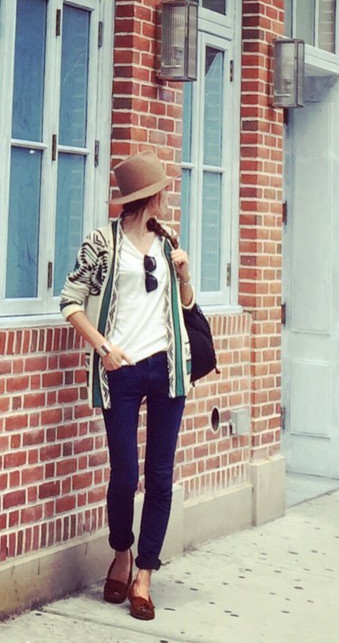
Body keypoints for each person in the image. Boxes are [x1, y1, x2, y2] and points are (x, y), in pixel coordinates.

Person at [60, 151, 194, 621]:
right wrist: (103, 347)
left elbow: (186, 304)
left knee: (160, 476)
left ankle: (144, 574)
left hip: (167, 369)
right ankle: (121, 552)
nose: (167, 195)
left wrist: (184, 275)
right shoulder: (102, 243)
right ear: (150, 196)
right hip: (121, 368)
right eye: (162, 189)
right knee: (124, 474)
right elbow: (70, 300)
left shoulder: (169, 239)